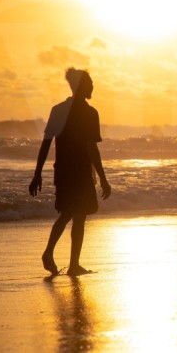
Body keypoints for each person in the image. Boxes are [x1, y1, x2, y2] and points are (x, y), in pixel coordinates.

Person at [29, 68, 111, 276]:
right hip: (80, 172)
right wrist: (102, 178)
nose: (92, 86)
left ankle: (52, 254)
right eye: (90, 83)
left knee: (67, 213)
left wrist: (37, 174)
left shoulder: (59, 110)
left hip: (65, 171)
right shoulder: (89, 113)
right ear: (81, 86)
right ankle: (71, 264)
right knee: (77, 215)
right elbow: (91, 149)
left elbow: (46, 144)